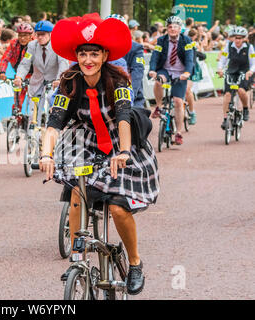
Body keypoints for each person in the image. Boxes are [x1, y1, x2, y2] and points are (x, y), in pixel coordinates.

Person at [41, 13, 159, 295]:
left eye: (94, 54)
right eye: (83, 54)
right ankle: (78, 258)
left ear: (105, 55)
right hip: (87, 142)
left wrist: (124, 152)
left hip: (122, 143)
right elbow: (54, 122)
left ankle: (134, 263)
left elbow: (123, 117)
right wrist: (46, 155)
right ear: (76, 56)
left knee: (118, 207)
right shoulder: (69, 81)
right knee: (76, 191)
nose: (88, 60)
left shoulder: (118, 80)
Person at [149, 16, 194, 146]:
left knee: (178, 101)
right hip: (165, 70)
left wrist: (187, 73)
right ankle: (159, 106)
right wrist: (152, 70)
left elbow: (190, 59)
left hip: (181, 73)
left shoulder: (187, 41)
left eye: (175, 27)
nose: (172, 29)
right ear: (167, 29)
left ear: (180, 29)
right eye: (170, 27)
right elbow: (155, 56)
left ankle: (178, 133)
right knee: (158, 81)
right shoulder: (161, 40)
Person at [14, 20, 69, 98]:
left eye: (43, 34)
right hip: (36, 84)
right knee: (34, 109)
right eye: (38, 34)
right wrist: (19, 77)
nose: (39, 37)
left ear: (51, 34)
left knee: (50, 100)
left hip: (54, 83)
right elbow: (25, 64)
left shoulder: (59, 45)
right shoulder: (32, 45)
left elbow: (63, 63)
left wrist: (59, 80)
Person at [217, 27, 254, 125]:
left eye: (240, 38)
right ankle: (225, 119)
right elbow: (223, 59)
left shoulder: (249, 47)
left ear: (244, 38)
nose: (238, 40)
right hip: (231, 72)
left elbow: (253, 62)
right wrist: (220, 69)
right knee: (227, 94)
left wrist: (250, 71)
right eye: (236, 38)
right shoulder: (228, 46)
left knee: (241, 90)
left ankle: (245, 108)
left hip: (244, 72)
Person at [0, 23, 34, 115]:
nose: (22, 38)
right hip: (19, 75)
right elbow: (5, 58)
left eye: (25, 36)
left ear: (31, 36)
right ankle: (16, 120)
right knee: (17, 102)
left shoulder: (36, 44)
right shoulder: (13, 43)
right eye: (20, 35)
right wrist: (2, 72)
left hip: (35, 75)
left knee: (34, 102)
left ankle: (34, 122)